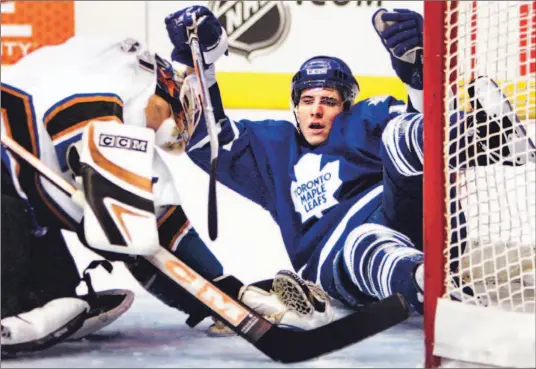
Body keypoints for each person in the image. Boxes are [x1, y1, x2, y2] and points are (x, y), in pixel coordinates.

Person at [165, 5, 536, 316]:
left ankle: (492, 138)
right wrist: (203, 65)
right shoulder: (273, 151)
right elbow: (207, 143)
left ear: (344, 106)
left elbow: (421, 140)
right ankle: (429, 285)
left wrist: (419, 74)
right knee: (366, 241)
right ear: (294, 106)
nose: (315, 111)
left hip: (412, 218)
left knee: (399, 134)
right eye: (307, 101)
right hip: (335, 261)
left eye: (327, 101)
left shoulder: (363, 121)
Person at [0, 35, 335, 355]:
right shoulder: (121, 68)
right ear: (167, 85)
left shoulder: (129, 131)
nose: (182, 129)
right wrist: (112, 197)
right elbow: (119, 210)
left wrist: (229, 293)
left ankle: (27, 300)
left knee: (52, 289)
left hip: (20, 198)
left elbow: (158, 237)